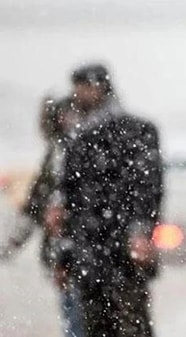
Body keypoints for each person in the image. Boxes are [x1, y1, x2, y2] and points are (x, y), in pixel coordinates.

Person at [56, 63, 163, 337]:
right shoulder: (77, 136)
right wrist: (65, 256)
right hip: (93, 256)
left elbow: (146, 188)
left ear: (99, 88)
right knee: (106, 326)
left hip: (118, 254)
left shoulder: (133, 131)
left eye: (82, 88)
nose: (77, 94)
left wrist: (139, 231)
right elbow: (70, 200)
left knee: (125, 326)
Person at [0, 96, 84, 337]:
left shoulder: (71, 150)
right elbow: (37, 202)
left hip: (78, 254)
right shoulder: (60, 150)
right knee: (76, 317)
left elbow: (38, 201)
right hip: (70, 256)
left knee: (78, 321)